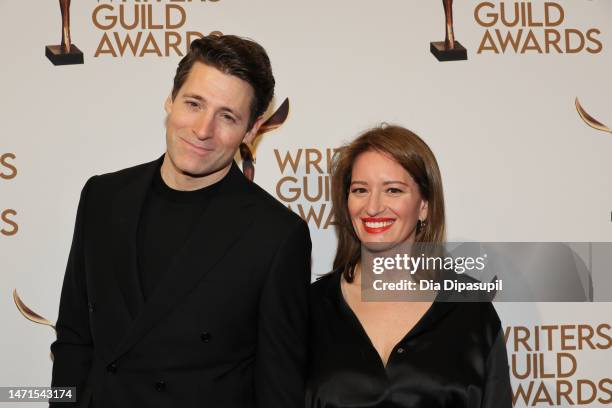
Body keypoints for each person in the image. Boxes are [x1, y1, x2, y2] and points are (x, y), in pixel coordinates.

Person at [50, 34, 312, 408]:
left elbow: (279, 388)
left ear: (251, 131)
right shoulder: (102, 197)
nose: (203, 130)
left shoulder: (275, 235)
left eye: (228, 116)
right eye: (193, 103)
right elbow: (73, 339)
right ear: (170, 100)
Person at [307, 125, 512, 407]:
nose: (373, 206)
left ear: (424, 205)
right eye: (360, 190)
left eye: (393, 190)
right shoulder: (310, 309)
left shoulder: (468, 307)